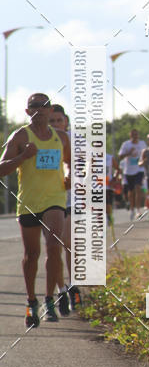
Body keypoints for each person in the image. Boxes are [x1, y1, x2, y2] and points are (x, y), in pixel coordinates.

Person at [0, 93, 71, 326]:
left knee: (54, 246)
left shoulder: (61, 137)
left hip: (55, 199)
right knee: (32, 256)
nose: (40, 109)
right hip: (29, 202)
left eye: (45, 106)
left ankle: (50, 299)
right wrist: (23, 156)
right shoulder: (20, 136)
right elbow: (2, 169)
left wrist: (69, 176)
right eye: (35, 106)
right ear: (28, 111)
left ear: (51, 111)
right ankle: (32, 301)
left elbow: (72, 162)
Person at [48, 105, 81, 312]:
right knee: (54, 248)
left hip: (71, 200)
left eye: (59, 120)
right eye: (52, 121)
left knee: (69, 242)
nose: (56, 124)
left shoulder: (75, 140)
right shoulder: (43, 140)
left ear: (66, 122)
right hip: (50, 200)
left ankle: (73, 284)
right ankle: (61, 289)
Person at [118, 129, 146, 219]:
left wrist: (145, 160)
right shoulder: (126, 144)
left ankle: (138, 210)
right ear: (130, 136)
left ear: (138, 135)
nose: (135, 136)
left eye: (136, 134)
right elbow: (120, 156)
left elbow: (146, 154)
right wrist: (129, 153)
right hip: (129, 171)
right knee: (131, 191)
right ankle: (132, 209)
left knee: (138, 188)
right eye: (133, 134)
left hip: (139, 169)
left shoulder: (142, 143)